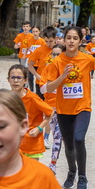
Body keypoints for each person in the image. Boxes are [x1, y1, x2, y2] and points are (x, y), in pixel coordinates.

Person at [44, 26, 95, 189]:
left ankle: (82, 176)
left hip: (83, 107)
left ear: (80, 41)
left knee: (79, 139)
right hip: (64, 110)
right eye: (68, 38)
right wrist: (63, 76)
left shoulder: (86, 59)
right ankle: (71, 172)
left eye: (75, 38)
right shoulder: (57, 62)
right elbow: (49, 88)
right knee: (69, 146)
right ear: (63, 40)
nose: (71, 41)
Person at [7, 65, 52, 159]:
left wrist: (39, 128)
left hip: (32, 145)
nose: (16, 81)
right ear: (8, 80)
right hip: (12, 145)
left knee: (31, 169)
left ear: (25, 80)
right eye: (13, 77)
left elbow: (50, 113)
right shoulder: (5, 98)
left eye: (19, 78)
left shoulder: (32, 98)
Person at [40, 44, 65, 173]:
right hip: (50, 106)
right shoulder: (48, 68)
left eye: (58, 54)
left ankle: (61, 164)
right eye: (53, 54)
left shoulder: (69, 70)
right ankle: (53, 163)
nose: (55, 57)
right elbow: (42, 89)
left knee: (62, 137)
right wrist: (53, 84)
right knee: (57, 135)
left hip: (65, 108)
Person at [28, 26, 57, 99]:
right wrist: (38, 76)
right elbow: (30, 65)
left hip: (55, 82)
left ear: (55, 38)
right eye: (46, 41)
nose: (49, 44)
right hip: (41, 82)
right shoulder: (39, 50)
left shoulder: (59, 50)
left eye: (51, 41)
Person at [23, 26, 46, 92]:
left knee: (38, 77)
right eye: (33, 31)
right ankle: (31, 90)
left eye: (36, 31)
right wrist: (24, 55)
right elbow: (27, 48)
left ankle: (39, 90)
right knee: (30, 77)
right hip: (31, 61)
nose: (35, 33)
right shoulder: (29, 40)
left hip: (39, 62)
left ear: (39, 32)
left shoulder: (42, 41)